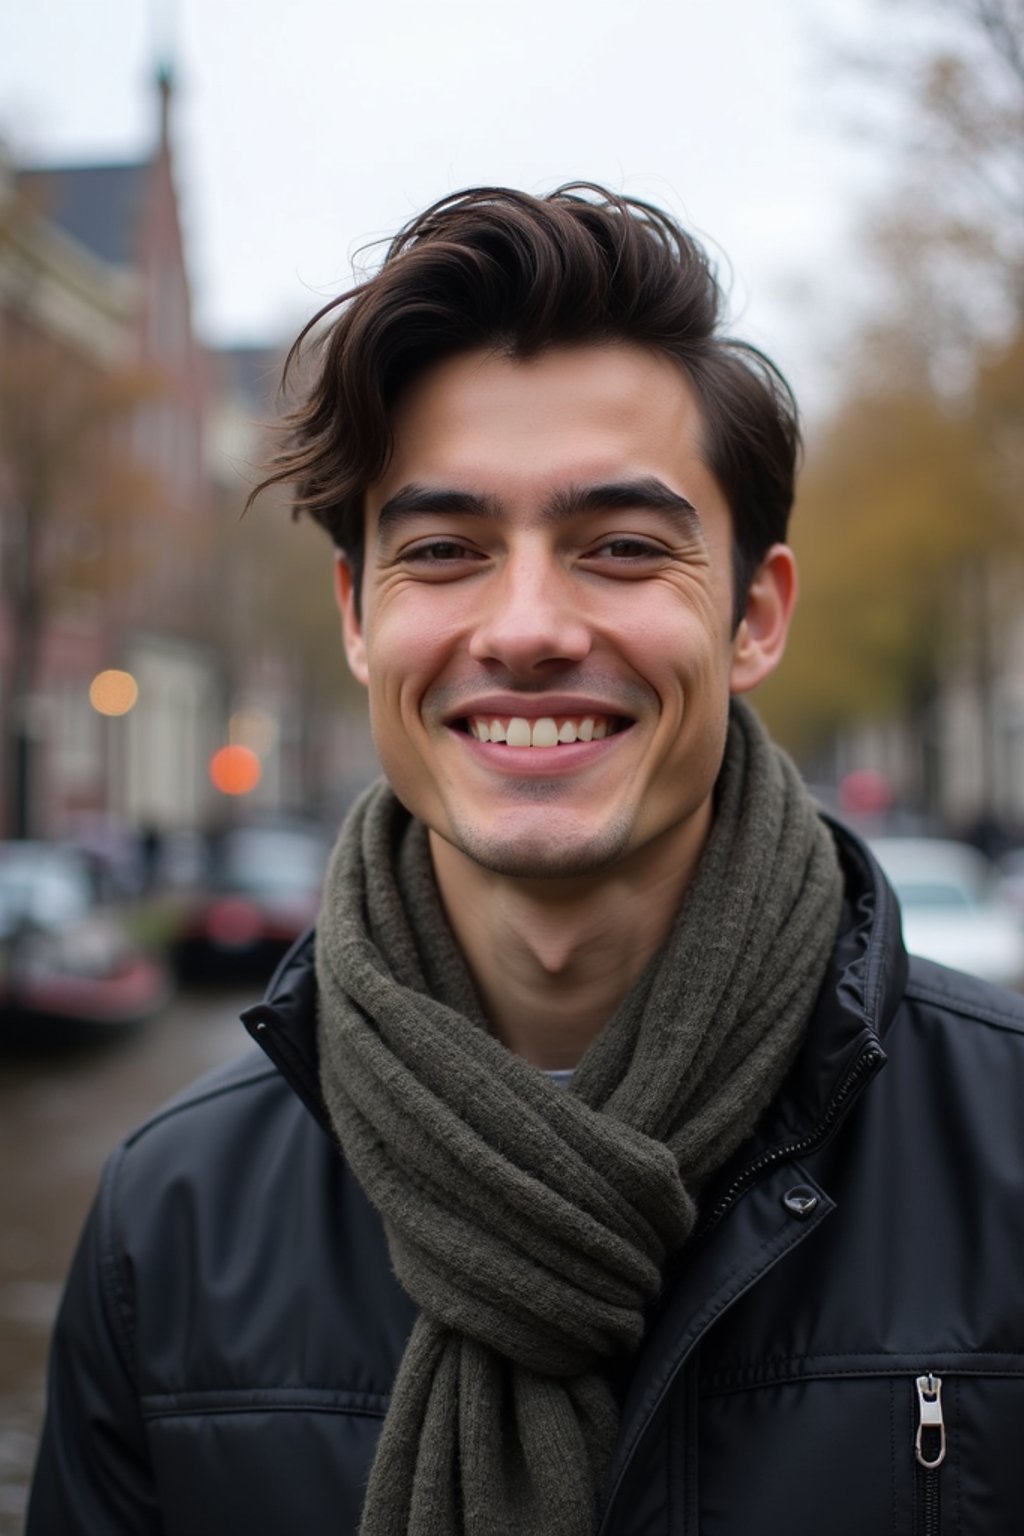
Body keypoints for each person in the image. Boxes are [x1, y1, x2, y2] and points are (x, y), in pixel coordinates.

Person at [28, 185, 1024, 1536]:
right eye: (445, 552)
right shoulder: (172, 1223)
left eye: (620, 548)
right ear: (358, 620)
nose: (530, 627)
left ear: (756, 617)